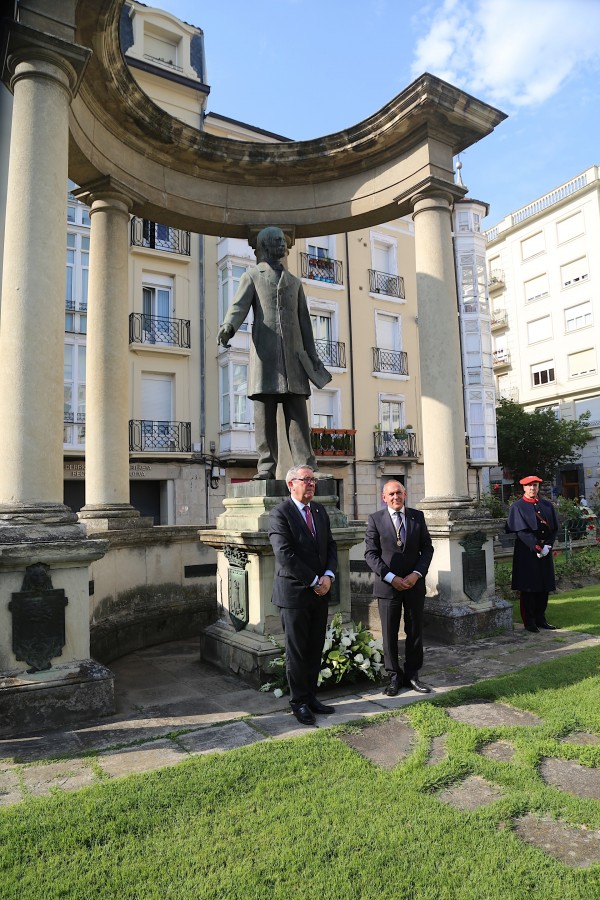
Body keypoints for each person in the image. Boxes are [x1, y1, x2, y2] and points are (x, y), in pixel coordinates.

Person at [217, 226, 331, 480]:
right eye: (279, 241)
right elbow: (239, 306)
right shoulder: (252, 276)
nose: (284, 245)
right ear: (267, 245)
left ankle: (306, 465)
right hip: (265, 358)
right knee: (265, 417)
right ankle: (266, 467)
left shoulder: (294, 282)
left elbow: (305, 324)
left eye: (284, 240)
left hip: (294, 359)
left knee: (298, 417)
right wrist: (228, 326)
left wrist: (312, 356)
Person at [268, 465, 338, 725]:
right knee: (297, 651)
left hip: (320, 592)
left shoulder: (319, 511)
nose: (311, 484)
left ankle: (311, 697)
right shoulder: (280, 514)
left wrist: (329, 576)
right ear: (291, 485)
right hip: (295, 594)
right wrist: (313, 580)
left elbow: (330, 545)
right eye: (305, 480)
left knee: (314, 648)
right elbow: (285, 555)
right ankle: (298, 702)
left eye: (313, 480)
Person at [364, 480, 434, 696]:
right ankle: (394, 677)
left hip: (414, 585)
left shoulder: (417, 517)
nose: (396, 497)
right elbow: (370, 554)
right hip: (388, 587)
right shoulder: (375, 519)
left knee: (414, 632)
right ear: (383, 497)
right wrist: (391, 577)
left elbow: (427, 549)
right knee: (389, 633)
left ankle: (413, 675)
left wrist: (416, 574)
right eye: (391, 494)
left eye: (399, 493)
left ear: (405, 494)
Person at [506, 475, 559, 633]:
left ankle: (541, 619)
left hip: (545, 550)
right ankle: (529, 621)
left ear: (538, 487)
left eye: (535, 485)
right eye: (529, 486)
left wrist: (548, 546)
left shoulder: (546, 505)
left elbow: (554, 528)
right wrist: (537, 547)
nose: (532, 488)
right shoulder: (517, 506)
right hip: (527, 551)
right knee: (529, 587)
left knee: (544, 586)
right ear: (523, 487)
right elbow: (521, 531)